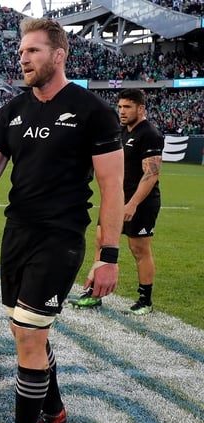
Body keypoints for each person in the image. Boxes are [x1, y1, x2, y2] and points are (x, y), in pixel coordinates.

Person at [0, 18, 124, 423]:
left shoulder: (93, 110)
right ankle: (54, 410)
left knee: (27, 333)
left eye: (33, 51)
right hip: (16, 233)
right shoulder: (13, 110)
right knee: (25, 331)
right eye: (21, 51)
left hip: (60, 237)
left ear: (59, 56)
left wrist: (109, 255)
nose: (23, 58)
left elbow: (113, 188)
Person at [70, 88, 163, 314]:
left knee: (139, 249)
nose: (122, 111)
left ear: (141, 109)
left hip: (141, 202)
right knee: (102, 242)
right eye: (120, 106)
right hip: (116, 200)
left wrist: (132, 204)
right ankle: (95, 294)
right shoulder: (120, 131)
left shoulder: (149, 133)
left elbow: (151, 174)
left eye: (127, 107)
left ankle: (145, 301)